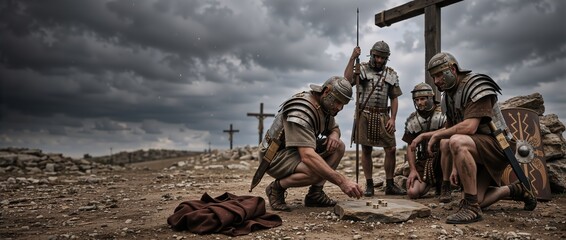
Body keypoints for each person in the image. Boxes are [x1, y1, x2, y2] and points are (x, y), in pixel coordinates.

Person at [410, 52, 536, 224]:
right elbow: (449, 129)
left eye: (439, 74)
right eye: (434, 77)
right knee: (480, 199)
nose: (436, 81)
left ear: (452, 69)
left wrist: (438, 135)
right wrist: (425, 135)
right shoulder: (448, 96)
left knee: (455, 141)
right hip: (476, 149)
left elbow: (469, 127)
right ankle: (516, 190)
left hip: (497, 146)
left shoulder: (476, 85)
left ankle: (471, 208)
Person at [260, 76, 363, 212]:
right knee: (314, 170)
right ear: (326, 92)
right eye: (338, 102)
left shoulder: (325, 106)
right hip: (275, 155)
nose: (340, 107)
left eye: (343, 104)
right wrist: (342, 181)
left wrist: (334, 134)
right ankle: (276, 188)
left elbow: (334, 128)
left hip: (294, 151)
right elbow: (307, 156)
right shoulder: (301, 110)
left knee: (339, 146)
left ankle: (315, 194)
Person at [344, 41, 405, 196]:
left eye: (382, 58)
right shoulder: (361, 69)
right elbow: (346, 80)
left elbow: (394, 98)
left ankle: (390, 184)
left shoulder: (391, 74)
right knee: (366, 149)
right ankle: (370, 184)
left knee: (391, 149)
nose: (379, 60)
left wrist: (393, 118)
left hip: (383, 115)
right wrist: (352, 58)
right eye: (377, 56)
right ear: (371, 53)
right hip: (365, 114)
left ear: (387, 58)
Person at [403, 83, 452, 202]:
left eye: (422, 99)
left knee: (445, 142)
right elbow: (410, 147)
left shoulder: (444, 113)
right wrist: (413, 169)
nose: (419, 102)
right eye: (417, 100)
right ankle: (432, 183)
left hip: (443, 158)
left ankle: (445, 184)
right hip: (424, 161)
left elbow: (450, 130)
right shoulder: (412, 120)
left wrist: (423, 135)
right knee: (412, 192)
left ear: (430, 98)